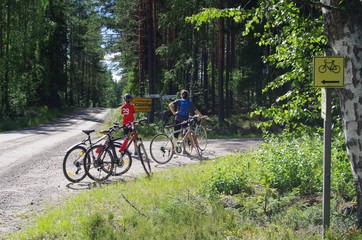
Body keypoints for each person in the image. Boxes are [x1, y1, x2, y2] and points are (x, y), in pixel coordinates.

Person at [168, 89, 204, 155]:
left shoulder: (179, 101)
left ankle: (173, 150)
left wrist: (174, 113)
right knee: (184, 135)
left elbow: (170, 105)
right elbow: (196, 111)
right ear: (188, 96)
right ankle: (184, 150)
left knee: (175, 135)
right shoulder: (189, 103)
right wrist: (201, 116)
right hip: (185, 120)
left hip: (178, 119)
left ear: (181, 95)